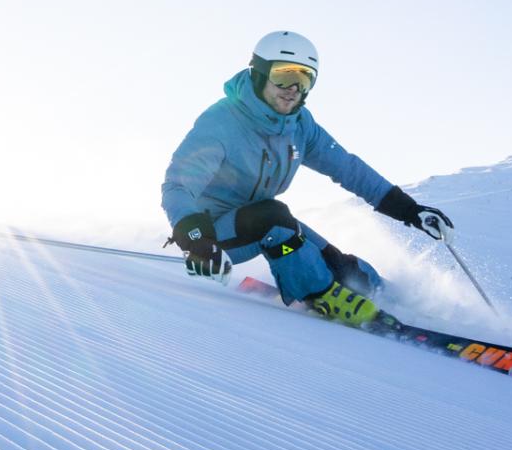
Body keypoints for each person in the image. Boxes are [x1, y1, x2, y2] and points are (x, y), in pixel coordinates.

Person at [161, 31, 454, 327]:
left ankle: (395, 301)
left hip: (265, 222)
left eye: (303, 80)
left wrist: (411, 210)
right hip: (210, 237)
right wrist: (196, 238)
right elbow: (178, 184)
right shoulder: (222, 121)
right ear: (260, 74)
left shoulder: (300, 126)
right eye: (282, 77)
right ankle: (324, 295)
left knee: (334, 261)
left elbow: (349, 169)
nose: (292, 89)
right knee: (275, 218)